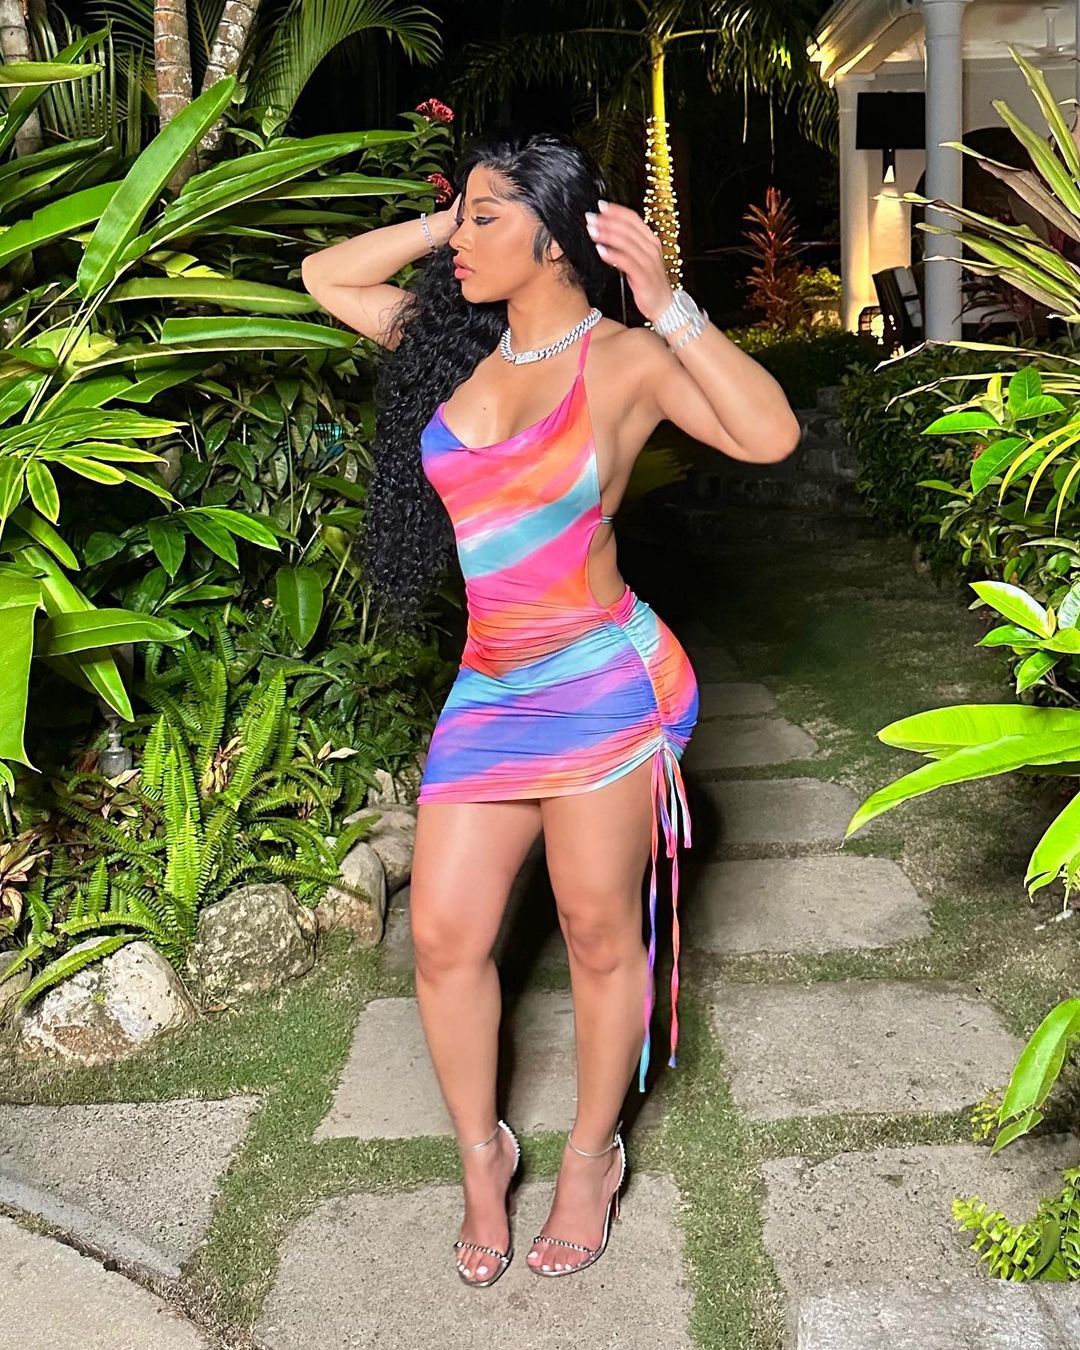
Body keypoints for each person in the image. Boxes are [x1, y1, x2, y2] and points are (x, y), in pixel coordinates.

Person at [301, 128, 799, 1288]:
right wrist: (453, 220)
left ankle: (591, 1156)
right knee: (443, 938)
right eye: (462, 216)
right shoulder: (454, 346)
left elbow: (769, 433)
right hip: (491, 687)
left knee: (595, 931)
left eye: (489, 218)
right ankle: (485, 1155)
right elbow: (326, 276)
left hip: (599, 682)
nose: (461, 239)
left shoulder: (626, 360)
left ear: (556, 236)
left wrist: (668, 302)